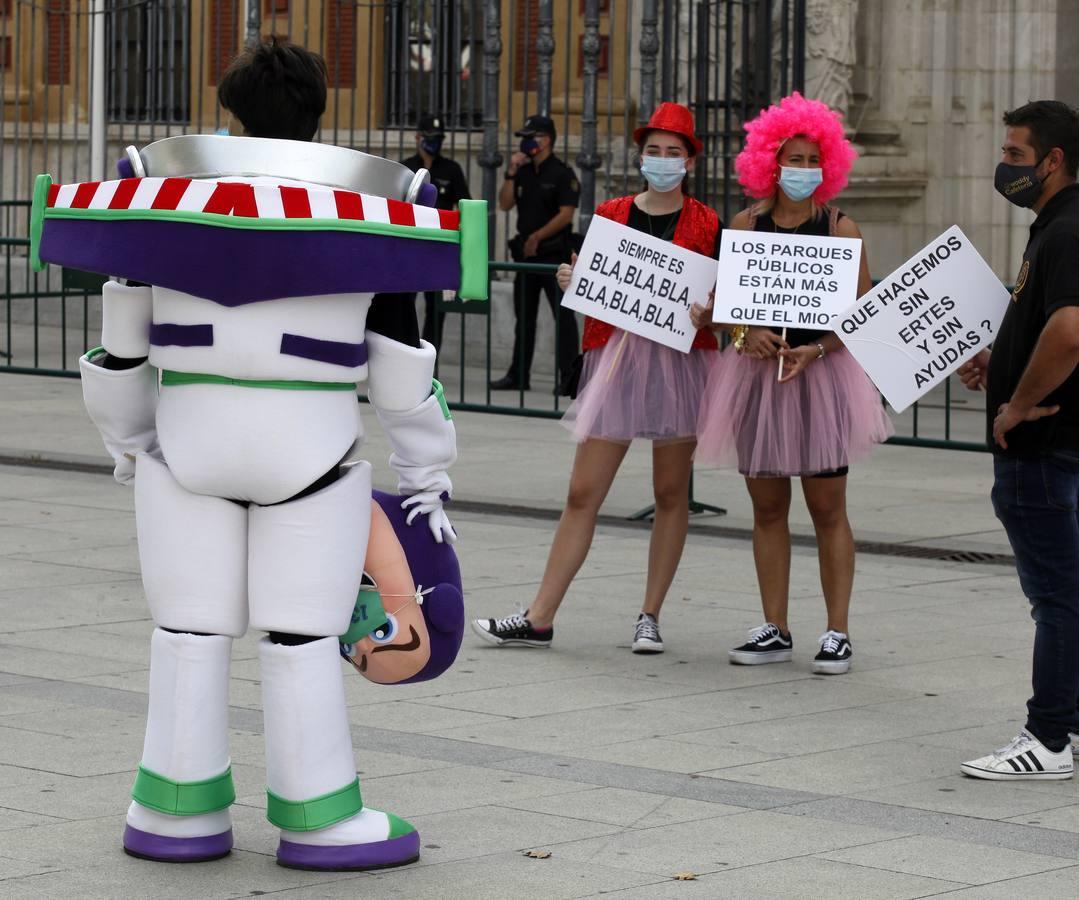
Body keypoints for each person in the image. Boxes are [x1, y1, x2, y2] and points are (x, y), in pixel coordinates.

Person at [48, 38, 467, 869]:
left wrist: (131, 447)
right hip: (309, 459)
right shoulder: (376, 209)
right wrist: (426, 474)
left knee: (186, 635)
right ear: (319, 112)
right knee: (300, 643)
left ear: (231, 108)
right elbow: (399, 369)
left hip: (187, 451)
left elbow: (122, 347)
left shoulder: (158, 195)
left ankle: (173, 814)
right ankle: (316, 819)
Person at [472, 102, 720, 653]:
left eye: (672, 151)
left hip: (680, 366)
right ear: (640, 157)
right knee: (583, 491)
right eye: (653, 150)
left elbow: (720, 302)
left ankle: (650, 616)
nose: (661, 160)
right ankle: (540, 616)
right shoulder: (610, 213)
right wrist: (573, 279)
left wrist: (713, 310)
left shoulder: (707, 222)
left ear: (689, 161)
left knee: (670, 491)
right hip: (619, 361)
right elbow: (597, 284)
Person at [692, 92, 892, 675]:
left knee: (828, 507)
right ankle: (774, 625)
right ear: (768, 162)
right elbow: (726, 308)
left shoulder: (841, 226)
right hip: (758, 380)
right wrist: (741, 334)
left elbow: (861, 314)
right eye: (791, 159)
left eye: (811, 160)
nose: (801, 171)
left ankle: (837, 631)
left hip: (821, 380)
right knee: (767, 508)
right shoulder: (745, 224)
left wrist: (817, 349)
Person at [956, 100, 1079, 780]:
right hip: (1060, 441)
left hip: (1043, 445)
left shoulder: (1065, 231)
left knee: (1055, 597)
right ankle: (1071, 724)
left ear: (1051, 160)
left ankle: (1047, 738)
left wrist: (1015, 405)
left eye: (1012, 154)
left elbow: (1068, 332)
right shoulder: (1054, 226)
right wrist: (996, 357)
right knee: (1069, 592)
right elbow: (1042, 324)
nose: (1002, 167)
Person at [490, 114, 580, 395]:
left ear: (547, 139)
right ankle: (518, 375)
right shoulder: (524, 172)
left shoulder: (563, 174)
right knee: (524, 318)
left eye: (533, 136)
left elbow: (567, 214)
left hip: (554, 256)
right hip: (526, 258)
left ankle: (569, 379)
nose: (527, 142)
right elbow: (504, 204)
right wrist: (511, 172)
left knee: (563, 319)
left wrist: (538, 237)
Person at [402, 113, 471, 349]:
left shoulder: (452, 169)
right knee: (403, 305)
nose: (435, 142)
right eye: (431, 137)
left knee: (436, 310)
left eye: (439, 137)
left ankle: (431, 361)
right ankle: (407, 354)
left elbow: (466, 207)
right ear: (418, 137)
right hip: (409, 250)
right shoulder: (406, 168)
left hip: (439, 251)